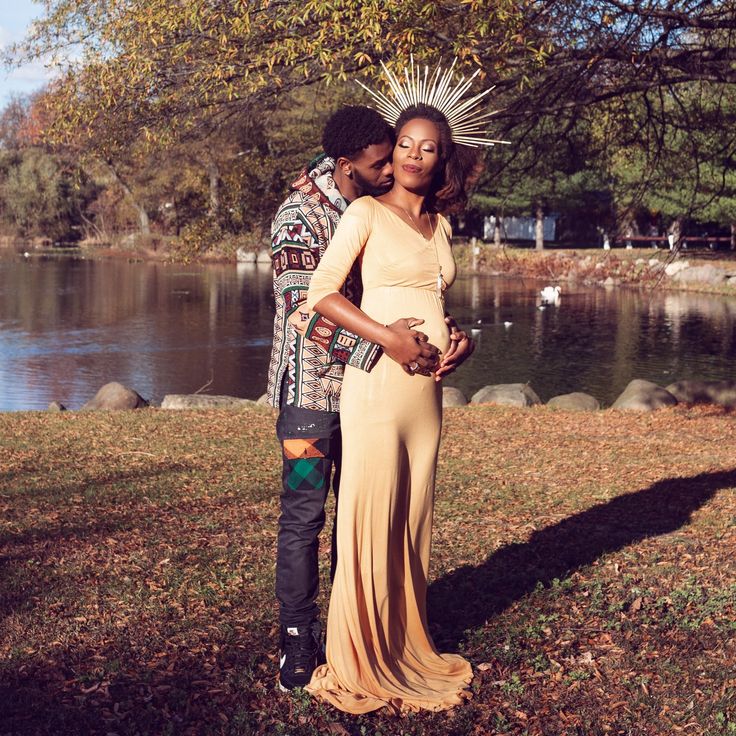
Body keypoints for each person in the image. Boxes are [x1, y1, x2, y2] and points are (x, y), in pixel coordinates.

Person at [266, 105, 473, 692]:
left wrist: (443, 337)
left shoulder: (399, 209)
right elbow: (304, 306)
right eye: (382, 161)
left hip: (378, 393)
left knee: (364, 517)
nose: (393, 169)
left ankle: (352, 628)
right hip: (310, 396)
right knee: (305, 514)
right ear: (346, 164)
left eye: (403, 155)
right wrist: (390, 348)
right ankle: (297, 639)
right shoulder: (299, 216)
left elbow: (409, 289)